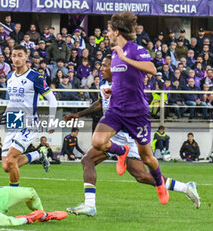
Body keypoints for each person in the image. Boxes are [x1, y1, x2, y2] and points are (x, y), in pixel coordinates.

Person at [65, 56, 200, 216]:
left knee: (142, 176)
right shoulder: (104, 84)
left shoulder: (126, 86)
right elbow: (101, 103)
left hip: (129, 136)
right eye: (100, 65)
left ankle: (185, 187)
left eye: (104, 65)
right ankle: (90, 205)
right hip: (114, 136)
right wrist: (78, 114)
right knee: (88, 160)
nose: (100, 68)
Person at [91, 12, 168, 205]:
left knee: (147, 157)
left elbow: (152, 69)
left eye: (108, 31)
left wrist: (125, 58)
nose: (106, 34)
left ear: (116, 31)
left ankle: (160, 185)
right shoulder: (115, 52)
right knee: (98, 142)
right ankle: (122, 150)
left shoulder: (134, 50)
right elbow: (121, 78)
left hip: (137, 113)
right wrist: (111, 89)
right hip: (117, 110)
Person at [2, 45, 57, 186]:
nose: (16, 58)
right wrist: (3, 117)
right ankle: (38, 154)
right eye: (14, 55)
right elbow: (12, 101)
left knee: (11, 160)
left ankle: (14, 193)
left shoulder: (36, 77)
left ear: (27, 57)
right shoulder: (9, 77)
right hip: (13, 121)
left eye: (20, 55)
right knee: (6, 166)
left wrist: (51, 121)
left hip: (28, 122)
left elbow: (52, 99)